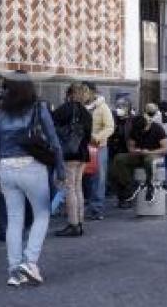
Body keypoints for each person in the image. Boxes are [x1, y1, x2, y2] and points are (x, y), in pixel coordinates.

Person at [0, 71, 65, 287]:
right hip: (32, 166)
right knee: (42, 215)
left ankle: (14, 270)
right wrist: (60, 169)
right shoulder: (38, 108)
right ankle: (30, 262)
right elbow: (54, 141)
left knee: (14, 220)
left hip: (6, 167)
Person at [52, 82, 93, 237]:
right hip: (83, 153)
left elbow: (50, 121)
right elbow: (89, 136)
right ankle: (79, 221)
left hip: (70, 153)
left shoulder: (66, 108)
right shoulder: (86, 113)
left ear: (70, 94)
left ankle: (73, 224)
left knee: (69, 188)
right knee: (77, 187)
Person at [110, 106, 167, 208]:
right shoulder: (136, 128)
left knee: (148, 160)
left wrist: (149, 152)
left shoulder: (158, 129)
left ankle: (150, 185)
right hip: (139, 154)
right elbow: (131, 146)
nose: (141, 132)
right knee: (119, 158)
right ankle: (129, 185)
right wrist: (136, 151)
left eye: (143, 130)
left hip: (154, 155)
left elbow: (165, 149)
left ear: (148, 124)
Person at [80, 82, 114, 221]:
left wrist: (97, 137)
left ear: (93, 92)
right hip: (81, 146)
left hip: (98, 147)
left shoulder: (102, 107)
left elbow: (110, 127)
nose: (83, 94)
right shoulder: (80, 107)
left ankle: (96, 208)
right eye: (81, 91)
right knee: (80, 177)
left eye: (85, 91)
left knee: (98, 178)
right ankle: (79, 206)